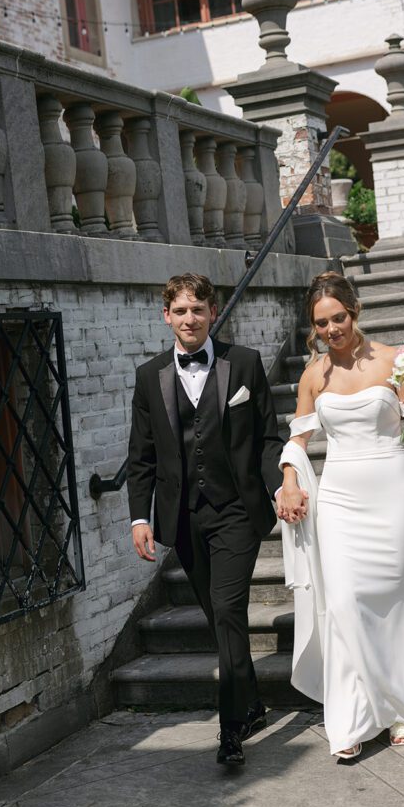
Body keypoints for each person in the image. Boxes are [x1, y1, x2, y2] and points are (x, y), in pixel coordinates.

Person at [127, 273, 292, 765]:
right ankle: (255, 704)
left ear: (212, 313)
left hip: (237, 510)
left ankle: (230, 732)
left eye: (197, 309)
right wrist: (140, 518)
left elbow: (266, 438)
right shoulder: (148, 376)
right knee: (221, 621)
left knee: (226, 612)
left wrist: (281, 483)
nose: (189, 319)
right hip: (182, 519)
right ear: (166, 317)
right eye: (179, 311)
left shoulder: (242, 363)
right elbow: (142, 457)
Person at [278, 272, 404, 760]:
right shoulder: (313, 375)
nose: (331, 329)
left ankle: (402, 710)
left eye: (338, 318)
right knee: (345, 601)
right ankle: (351, 719)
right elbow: (298, 437)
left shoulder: (396, 360)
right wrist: (289, 480)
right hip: (341, 497)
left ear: (355, 311)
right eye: (321, 323)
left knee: (389, 598)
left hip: (391, 489)